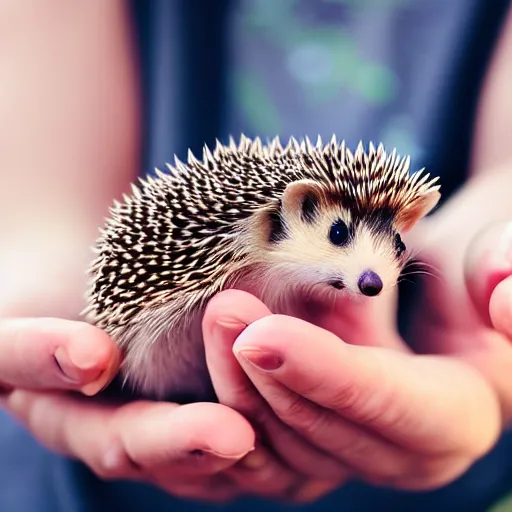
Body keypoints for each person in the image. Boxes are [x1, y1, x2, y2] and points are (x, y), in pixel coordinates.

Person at [1, 0, 512, 510]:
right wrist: (38, 265)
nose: (376, 275)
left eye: (394, 245)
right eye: (338, 236)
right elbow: (48, 211)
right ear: (284, 217)